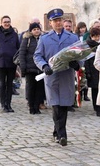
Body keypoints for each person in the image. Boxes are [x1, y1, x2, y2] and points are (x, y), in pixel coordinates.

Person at [33, 8, 79, 146]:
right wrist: (44, 66)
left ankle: (59, 132)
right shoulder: (44, 38)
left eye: (60, 20)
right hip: (51, 76)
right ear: (50, 23)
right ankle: (61, 133)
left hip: (66, 75)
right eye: (55, 21)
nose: (58, 23)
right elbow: (37, 55)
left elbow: (79, 53)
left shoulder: (72, 37)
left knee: (64, 104)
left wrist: (77, 64)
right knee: (56, 105)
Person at [0, 15, 20, 113]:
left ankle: (8, 104)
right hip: (1, 62)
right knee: (2, 83)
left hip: (11, 62)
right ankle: (3, 104)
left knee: (10, 84)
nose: (7, 23)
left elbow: (18, 47)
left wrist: (17, 57)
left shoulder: (14, 34)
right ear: (1, 23)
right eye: (5, 22)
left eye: (8, 22)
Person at [19, 22, 45, 114]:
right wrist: (23, 68)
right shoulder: (27, 40)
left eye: (38, 29)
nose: (36, 31)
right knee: (31, 88)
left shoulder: (43, 39)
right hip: (30, 68)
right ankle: (31, 106)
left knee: (39, 89)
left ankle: (37, 106)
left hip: (41, 68)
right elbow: (22, 54)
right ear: (31, 31)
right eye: (34, 29)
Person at [84, 28, 100, 117]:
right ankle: (97, 108)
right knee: (95, 89)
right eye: (94, 36)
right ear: (91, 36)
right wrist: (87, 72)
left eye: (98, 36)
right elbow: (86, 60)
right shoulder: (88, 45)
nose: (96, 38)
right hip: (92, 69)